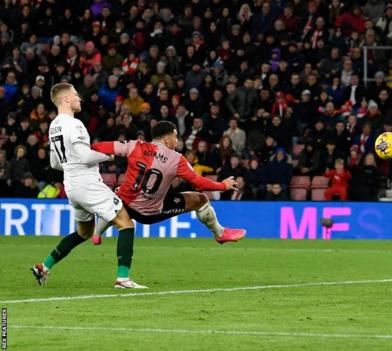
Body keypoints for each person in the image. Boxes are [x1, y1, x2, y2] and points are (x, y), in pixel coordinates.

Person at [31, 83, 144, 289]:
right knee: (125, 223)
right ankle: (123, 279)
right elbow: (85, 156)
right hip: (87, 183)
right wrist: (110, 154)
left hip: (72, 186)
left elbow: (55, 163)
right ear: (66, 99)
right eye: (76, 95)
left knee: (84, 232)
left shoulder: (54, 126)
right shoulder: (75, 125)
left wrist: (74, 165)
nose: (79, 99)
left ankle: (43, 267)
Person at [90, 121, 245, 245]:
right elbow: (200, 183)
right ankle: (220, 234)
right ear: (167, 138)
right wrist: (223, 185)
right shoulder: (177, 159)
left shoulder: (134, 145)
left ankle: (97, 234)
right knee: (201, 199)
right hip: (150, 213)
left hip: (126, 205)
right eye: (175, 137)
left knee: (118, 193)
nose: (177, 141)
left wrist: (101, 156)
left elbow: (98, 147)